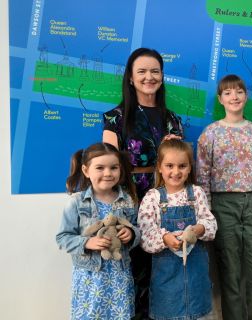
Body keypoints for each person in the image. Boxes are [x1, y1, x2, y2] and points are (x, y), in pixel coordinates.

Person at [102, 47, 183, 319]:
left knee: (165, 269)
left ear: (162, 76)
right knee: (134, 271)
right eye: (142, 71)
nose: (149, 77)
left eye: (155, 71)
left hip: (166, 199)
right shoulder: (115, 117)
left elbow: (179, 164)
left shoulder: (172, 119)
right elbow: (108, 166)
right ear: (130, 77)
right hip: (130, 197)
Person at [197, 74, 252, 320]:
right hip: (222, 206)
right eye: (228, 92)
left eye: (239, 91)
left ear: (246, 96)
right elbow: (203, 177)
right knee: (229, 273)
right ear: (220, 99)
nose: (234, 96)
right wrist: (206, 214)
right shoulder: (210, 133)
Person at [56, 142, 140, 320]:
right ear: (86, 171)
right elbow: (63, 237)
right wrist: (87, 242)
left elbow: (138, 229)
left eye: (113, 168)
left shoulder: (128, 200)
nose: (108, 173)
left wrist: (131, 235)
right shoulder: (77, 202)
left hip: (119, 277)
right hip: (89, 279)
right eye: (100, 168)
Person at [137, 139, 217, 320]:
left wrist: (198, 229)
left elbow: (210, 223)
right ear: (159, 167)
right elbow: (145, 235)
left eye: (182, 166)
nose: (176, 171)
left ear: (189, 168)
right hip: (167, 282)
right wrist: (165, 238)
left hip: (197, 277)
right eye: (169, 165)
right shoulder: (152, 197)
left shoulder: (196, 193)